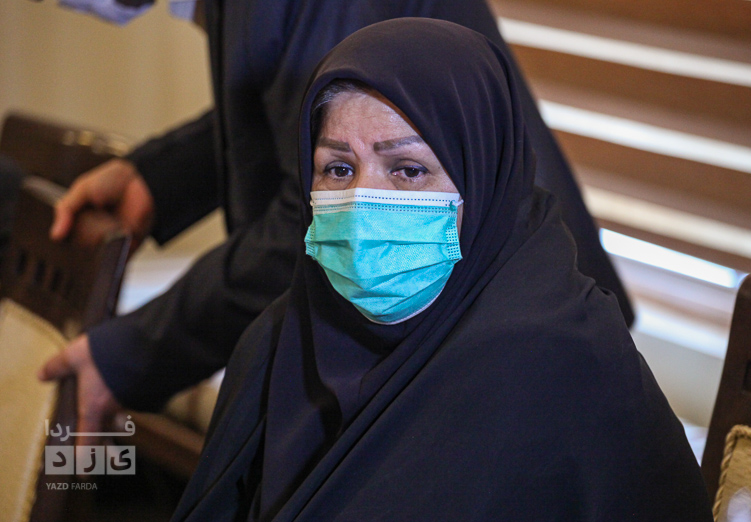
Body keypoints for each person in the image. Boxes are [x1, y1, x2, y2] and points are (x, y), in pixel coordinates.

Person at [163, 18, 713, 522]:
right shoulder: (279, 342)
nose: (361, 202)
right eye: (338, 168)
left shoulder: (566, 365)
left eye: (408, 170)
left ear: (484, 179)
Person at [41, 0, 634, 446]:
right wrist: (158, 177)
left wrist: (130, 353)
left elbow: (334, 182)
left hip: (500, 340)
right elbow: (311, 115)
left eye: (404, 173)